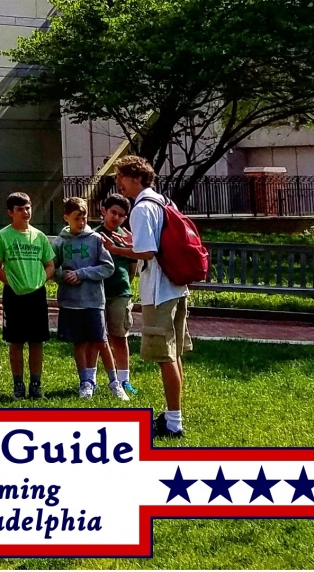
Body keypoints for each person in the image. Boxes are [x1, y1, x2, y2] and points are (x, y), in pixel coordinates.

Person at [103, 155, 191, 440]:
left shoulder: (141, 208)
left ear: (137, 178)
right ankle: (173, 415)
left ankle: (174, 423)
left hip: (159, 291)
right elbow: (156, 242)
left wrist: (117, 250)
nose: (118, 182)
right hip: (177, 286)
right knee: (174, 353)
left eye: (122, 176)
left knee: (164, 356)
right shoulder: (163, 201)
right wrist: (130, 242)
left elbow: (148, 252)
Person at [53, 197, 125, 401]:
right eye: (76, 218)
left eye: (84, 217)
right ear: (66, 217)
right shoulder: (59, 242)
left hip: (93, 300)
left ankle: (114, 382)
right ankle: (85, 381)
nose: (81, 222)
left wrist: (82, 274)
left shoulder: (95, 239)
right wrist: (63, 275)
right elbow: (52, 268)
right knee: (78, 342)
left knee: (100, 340)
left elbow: (108, 267)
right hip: (70, 301)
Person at [0, 191, 55, 400]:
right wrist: (11, 282)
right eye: (20, 209)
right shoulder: (3, 236)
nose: (26, 212)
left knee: (37, 341)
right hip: (14, 296)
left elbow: (50, 264)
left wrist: (41, 280)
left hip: (37, 295)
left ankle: (36, 384)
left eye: (28, 208)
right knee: (16, 341)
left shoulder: (39, 236)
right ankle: (18, 384)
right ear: (11, 212)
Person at [96, 194, 139, 396]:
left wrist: (124, 285)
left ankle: (124, 379)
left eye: (121, 215)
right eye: (113, 212)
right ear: (104, 211)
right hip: (97, 293)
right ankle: (92, 379)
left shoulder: (127, 238)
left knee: (119, 336)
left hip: (120, 292)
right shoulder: (94, 235)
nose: (116, 218)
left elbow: (132, 267)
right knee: (96, 337)